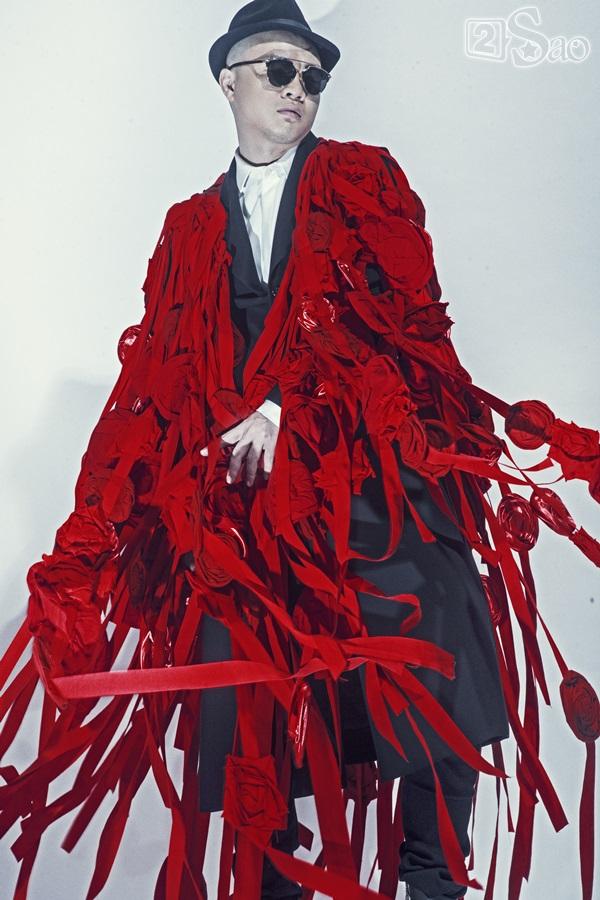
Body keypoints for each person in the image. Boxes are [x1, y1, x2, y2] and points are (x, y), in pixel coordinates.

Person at [0, 2, 598, 900]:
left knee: (435, 656)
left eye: (313, 76)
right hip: (247, 517)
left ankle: (434, 884)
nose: (299, 89)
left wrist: (292, 404)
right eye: (278, 69)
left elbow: (408, 327)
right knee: (252, 705)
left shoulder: (362, 180)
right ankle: (277, 882)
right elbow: (157, 378)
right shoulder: (188, 227)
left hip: (369, 483)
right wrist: (92, 537)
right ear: (228, 80)